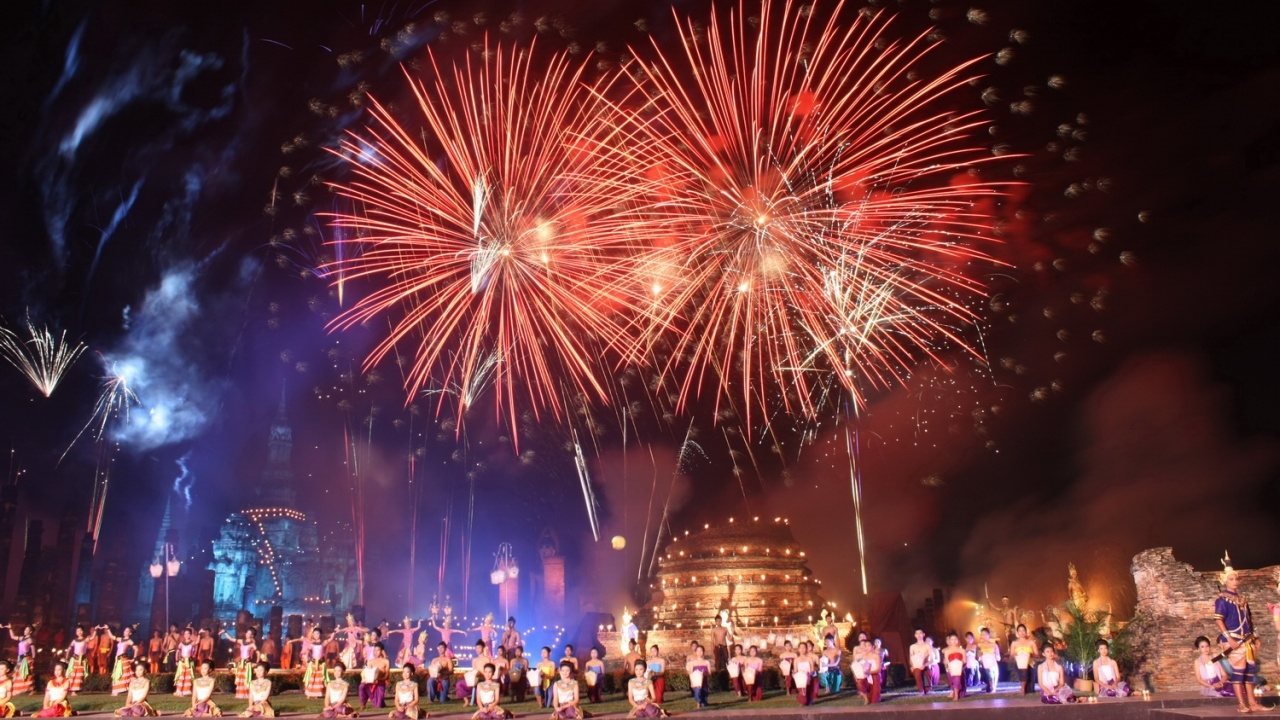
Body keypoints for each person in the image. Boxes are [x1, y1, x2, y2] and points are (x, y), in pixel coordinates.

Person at [1214, 553, 1271, 714]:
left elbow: (1248, 621)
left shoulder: (1242, 599)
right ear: (1225, 581)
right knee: (1238, 673)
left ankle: (1252, 703)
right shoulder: (1222, 600)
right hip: (1233, 640)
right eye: (1231, 579)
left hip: (1247, 641)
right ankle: (1241, 704)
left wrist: (1254, 637)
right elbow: (1219, 620)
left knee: (1250, 672)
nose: (1235, 581)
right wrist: (1228, 638)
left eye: (1236, 579)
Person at [221, 627, 258, 700]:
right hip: (241, 663)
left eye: (249, 633)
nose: (247, 634)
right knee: (240, 677)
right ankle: (240, 694)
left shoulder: (252, 644)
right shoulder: (242, 641)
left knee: (246, 678)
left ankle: (246, 694)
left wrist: (257, 662)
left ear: (252, 635)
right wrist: (225, 632)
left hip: (247, 663)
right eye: (247, 632)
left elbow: (258, 652)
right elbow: (232, 639)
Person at [103, 626, 136, 696]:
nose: (124, 632)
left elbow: (136, 649)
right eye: (124, 630)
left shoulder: (129, 641)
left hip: (124, 659)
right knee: (117, 674)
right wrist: (108, 628)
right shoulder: (121, 639)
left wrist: (134, 658)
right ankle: (116, 690)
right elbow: (112, 637)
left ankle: (133, 689)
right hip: (118, 660)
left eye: (127, 631)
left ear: (130, 633)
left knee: (124, 675)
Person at [358, 643, 391, 711]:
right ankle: (363, 704)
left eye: (377, 650)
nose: (375, 652)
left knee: (378, 706)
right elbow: (368, 673)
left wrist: (379, 679)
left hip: (380, 683)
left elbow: (387, 676)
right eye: (374, 650)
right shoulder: (370, 661)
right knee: (362, 686)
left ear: (382, 651)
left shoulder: (386, 661)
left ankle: (381, 702)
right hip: (370, 683)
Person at [5, 625, 34, 696]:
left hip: (26, 658)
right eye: (25, 630)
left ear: (30, 632)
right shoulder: (22, 638)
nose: (25, 631)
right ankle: (19, 689)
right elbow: (13, 637)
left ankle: (31, 689)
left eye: (27, 630)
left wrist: (33, 658)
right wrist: (10, 628)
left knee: (26, 673)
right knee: (18, 673)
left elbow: (33, 649)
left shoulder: (30, 640)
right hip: (20, 658)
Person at [1008, 624, 1038, 694]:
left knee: (1030, 690)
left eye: (1023, 630)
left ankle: (1023, 687)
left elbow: (1037, 655)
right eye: (1020, 631)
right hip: (1019, 664)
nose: (1022, 632)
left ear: (1026, 631)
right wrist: (1014, 655)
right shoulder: (1014, 643)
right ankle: (1023, 688)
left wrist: (1031, 654)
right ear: (1017, 632)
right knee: (1022, 670)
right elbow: (1011, 656)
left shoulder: (1031, 642)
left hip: (1030, 664)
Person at [303, 627, 330, 700]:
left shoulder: (323, 643)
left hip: (320, 663)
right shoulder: (312, 644)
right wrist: (307, 659)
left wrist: (334, 633)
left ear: (320, 634)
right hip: (313, 663)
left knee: (319, 678)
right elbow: (308, 651)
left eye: (317, 633)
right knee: (311, 677)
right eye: (314, 634)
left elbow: (330, 639)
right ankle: (309, 693)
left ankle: (317, 694)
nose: (316, 635)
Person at [855, 636, 881, 704]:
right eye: (865, 646)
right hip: (866, 676)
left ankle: (873, 696)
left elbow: (878, 669)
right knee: (859, 682)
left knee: (875, 701)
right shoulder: (863, 657)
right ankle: (866, 698)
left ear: (873, 646)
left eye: (868, 646)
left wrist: (869, 672)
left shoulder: (876, 656)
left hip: (875, 676)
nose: (867, 647)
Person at [976, 627, 1001, 693]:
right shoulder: (979, 645)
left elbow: (998, 657)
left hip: (992, 662)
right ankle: (991, 686)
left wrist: (995, 655)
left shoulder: (994, 645)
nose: (984, 636)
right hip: (984, 664)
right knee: (988, 675)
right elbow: (978, 657)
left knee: (993, 675)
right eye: (982, 634)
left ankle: (993, 688)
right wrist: (980, 655)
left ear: (989, 635)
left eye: (985, 634)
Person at [943, 632, 966, 701]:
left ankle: (956, 695)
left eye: (955, 639)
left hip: (959, 669)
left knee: (957, 680)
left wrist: (959, 665)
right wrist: (948, 667)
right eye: (952, 639)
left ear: (958, 640)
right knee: (952, 681)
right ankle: (954, 692)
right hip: (951, 669)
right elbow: (946, 661)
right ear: (949, 641)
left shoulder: (962, 650)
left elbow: (965, 661)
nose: (953, 641)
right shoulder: (947, 651)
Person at [686, 644, 711, 708]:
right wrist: (692, 683)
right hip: (696, 682)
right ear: (696, 652)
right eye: (698, 651)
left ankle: (703, 702)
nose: (699, 653)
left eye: (701, 651)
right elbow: (691, 673)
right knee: (697, 691)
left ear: (703, 652)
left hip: (704, 682)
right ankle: (698, 702)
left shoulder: (707, 662)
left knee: (704, 704)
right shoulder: (693, 663)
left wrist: (704, 674)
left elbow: (709, 673)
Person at [174, 628, 197, 697]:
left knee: (188, 676)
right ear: (184, 635)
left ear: (190, 635)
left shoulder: (192, 643)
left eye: (188, 634)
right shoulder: (181, 643)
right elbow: (177, 652)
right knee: (181, 675)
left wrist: (199, 634)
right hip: (182, 661)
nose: (186, 635)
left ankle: (186, 691)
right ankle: (179, 691)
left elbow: (197, 644)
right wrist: (176, 660)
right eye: (185, 634)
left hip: (189, 662)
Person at [908, 628, 931, 696]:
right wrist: (912, 666)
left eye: (920, 633)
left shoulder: (927, 645)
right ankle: (921, 690)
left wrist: (925, 664)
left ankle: (927, 689)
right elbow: (911, 657)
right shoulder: (912, 646)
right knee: (917, 674)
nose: (919, 635)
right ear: (915, 635)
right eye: (917, 633)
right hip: (916, 665)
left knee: (926, 678)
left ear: (923, 634)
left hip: (925, 664)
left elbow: (932, 659)